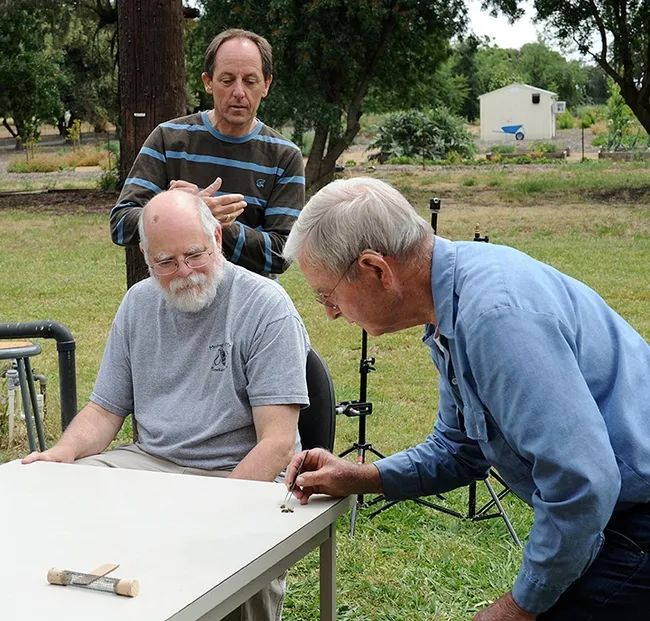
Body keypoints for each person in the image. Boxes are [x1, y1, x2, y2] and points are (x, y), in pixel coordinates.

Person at [282, 177, 650, 621]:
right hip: (611, 514)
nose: (329, 312)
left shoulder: (492, 318)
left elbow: (582, 483)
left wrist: (520, 607)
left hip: (632, 520)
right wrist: (361, 476)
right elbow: (460, 448)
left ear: (376, 269)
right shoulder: (451, 303)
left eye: (327, 294)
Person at [24, 189, 310, 621]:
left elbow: (277, 445)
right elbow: (105, 410)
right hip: (152, 462)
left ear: (217, 236)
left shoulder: (266, 306)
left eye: (195, 254)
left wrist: (212, 508)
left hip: (235, 470)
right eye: (166, 262)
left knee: (234, 561)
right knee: (63, 502)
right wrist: (63, 454)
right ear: (145, 255)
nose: (186, 272)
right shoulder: (138, 302)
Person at [110, 28, 304, 277]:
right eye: (227, 80)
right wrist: (181, 210)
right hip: (176, 293)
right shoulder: (168, 139)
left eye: (250, 81)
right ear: (208, 82)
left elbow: (281, 255)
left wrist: (211, 222)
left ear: (266, 85)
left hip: (248, 303)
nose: (239, 92)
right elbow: (120, 224)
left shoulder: (284, 156)